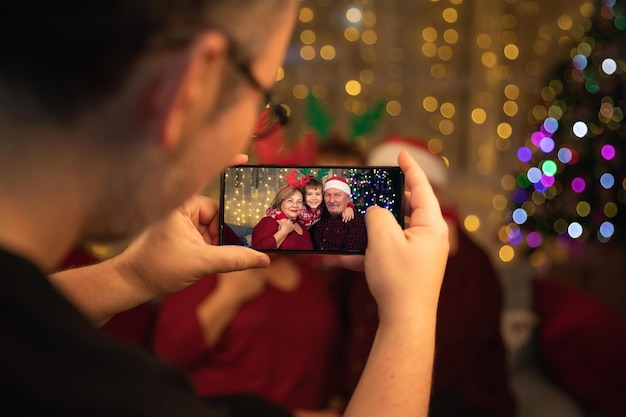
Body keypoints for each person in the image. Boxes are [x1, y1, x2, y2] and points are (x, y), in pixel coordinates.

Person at [1, 2, 449, 417]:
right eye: (263, 100)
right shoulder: (117, 398)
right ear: (189, 85)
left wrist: (129, 275)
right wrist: (410, 312)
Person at [342, 135, 517, 417]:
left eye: (400, 189)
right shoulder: (367, 249)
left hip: (456, 403)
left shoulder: (467, 260)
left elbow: (449, 361)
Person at [151, 253, 344, 416]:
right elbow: (169, 353)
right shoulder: (209, 266)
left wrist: (336, 408)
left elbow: (331, 360)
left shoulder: (316, 277)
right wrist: (229, 295)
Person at [266, 176, 355, 229]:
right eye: (309, 194)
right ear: (304, 196)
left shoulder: (323, 206)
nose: (314, 198)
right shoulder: (300, 207)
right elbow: (272, 211)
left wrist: (349, 207)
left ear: (323, 195)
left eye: (317, 194)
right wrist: (282, 218)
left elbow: (338, 204)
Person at [310, 176, 368, 252]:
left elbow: (352, 258)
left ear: (348, 199)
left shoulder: (355, 221)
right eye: (328, 195)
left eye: (337, 195)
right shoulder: (320, 213)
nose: (331, 200)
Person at [252, 186, 314, 250]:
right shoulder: (269, 221)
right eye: (290, 201)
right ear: (280, 202)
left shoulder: (303, 228)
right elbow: (256, 253)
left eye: (299, 202)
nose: (295, 205)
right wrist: (283, 231)